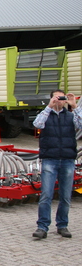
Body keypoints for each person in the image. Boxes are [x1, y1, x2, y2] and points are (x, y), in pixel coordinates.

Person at [32, 90, 82, 239]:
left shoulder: (70, 116)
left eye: (62, 98)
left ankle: (62, 225)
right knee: (46, 195)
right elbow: (37, 123)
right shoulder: (46, 115)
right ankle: (42, 227)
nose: (60, 100)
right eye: (57, 97)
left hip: (67, 159)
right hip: (50, 159)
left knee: (66, 196)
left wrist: (75, 106)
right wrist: (49, 106)